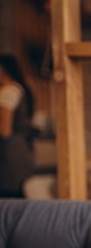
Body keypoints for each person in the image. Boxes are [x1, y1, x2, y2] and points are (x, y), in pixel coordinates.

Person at [0, 55, 35, 198]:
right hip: (22, 150)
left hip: (8, 155)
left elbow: (4, 130)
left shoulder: (8, 91)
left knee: (8, 200)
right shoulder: (20, 89)